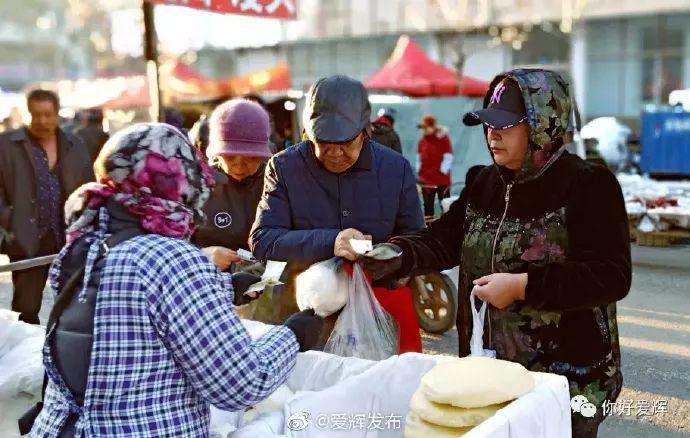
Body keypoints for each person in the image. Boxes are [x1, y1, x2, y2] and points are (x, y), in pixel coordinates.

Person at [361, 69, 631, 438]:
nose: (493, 133)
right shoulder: (483, 182)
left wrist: (524, 286)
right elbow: (445, 239)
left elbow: (611, 275)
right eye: (488, 123)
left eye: (507, 124)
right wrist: (393, 254)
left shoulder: (588, 184)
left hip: (563, 379)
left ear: (542, 125)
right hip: (489, 372)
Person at [30, 123, 324, 437]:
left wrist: (222, 288)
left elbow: (124, 311)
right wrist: (292, 336)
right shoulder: (170, 257)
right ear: (178, 180)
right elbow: (241, 383)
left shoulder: (83, 244)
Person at [250, 75, 424, 351]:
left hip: (373, 316)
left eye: (345, 142)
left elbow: (416, 239)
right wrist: (332, 241)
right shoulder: (284, 167)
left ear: (364, 131)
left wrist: (386, 258)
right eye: (324, 142)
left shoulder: (395, 169)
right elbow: (263, 240)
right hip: (304, 318)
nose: (334, 153)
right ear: (308, 133)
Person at [0, 89, 92, 324]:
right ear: (27, 114)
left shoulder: (74, 144)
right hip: (27, 236)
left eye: (48, 115)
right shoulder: (7, 145)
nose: (42, 121)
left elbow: (89, 186)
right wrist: (10, 221)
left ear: (57, 114)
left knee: (72, 304)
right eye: (36, 115)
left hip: (68, 236)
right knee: (25, 309)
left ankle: (64, 353)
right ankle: (23, 356)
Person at [193, 99, 272, 275]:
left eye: (250, 158)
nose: (239, 166)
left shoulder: (280, 182)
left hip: (270, 287)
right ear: (216, 154)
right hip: (209, 286)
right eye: (230, 157)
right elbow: (169, 247)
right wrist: (202, 256)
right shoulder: (196, 187)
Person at [416, 114, 453, 222]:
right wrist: (419, 175)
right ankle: (429, 231)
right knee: (428, 207)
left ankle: (447, 228)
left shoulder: (443, 139)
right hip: (426, 180)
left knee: (445, 206)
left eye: (426, 127)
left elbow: (448, 157)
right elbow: (419, 158)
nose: (424, 130)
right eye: (422, 128)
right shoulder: (422, 141)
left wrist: (442, 171)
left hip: (442, 180)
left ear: (432, 127)